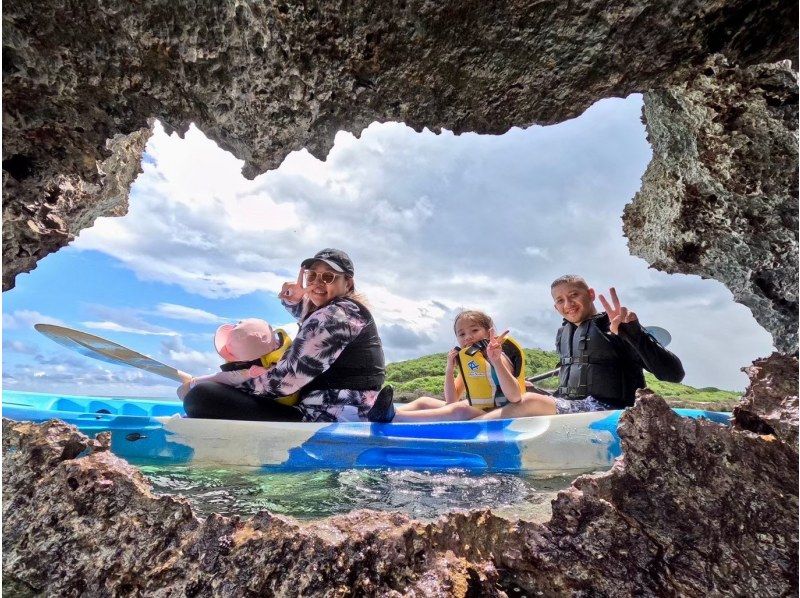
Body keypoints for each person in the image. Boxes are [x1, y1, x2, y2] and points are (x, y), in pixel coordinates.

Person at [182, 249, 390, 422]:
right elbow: (310, 318)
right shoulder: (344, 311)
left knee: (201, 397)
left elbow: (283, 383)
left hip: (328, 415)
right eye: (312, 276)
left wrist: (228, 382)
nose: (318, 283)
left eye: (328, 277)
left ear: (348, 283)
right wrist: (295, 299)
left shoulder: (336, 315)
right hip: (353, 406)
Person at [367, 310, 555, 422]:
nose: (468, 337)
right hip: (484, 408)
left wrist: (496, 360)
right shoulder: (470, 360)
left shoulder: (498, 354)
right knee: (425, 401)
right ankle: (376, 414)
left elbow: (514, 396)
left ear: (489, 332)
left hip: (504, 410)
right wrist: (450, 368)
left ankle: (395, 418)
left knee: (460, 409)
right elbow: (451, 399)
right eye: (462, 334)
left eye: (474, 330)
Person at [543, 274, 685, 413]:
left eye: (574, 295)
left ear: (591, 294)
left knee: (529, 402)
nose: (568, 304)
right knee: (525, 393)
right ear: (556, 307)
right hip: (574, 408)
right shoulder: (563, 335)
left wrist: (633, 333)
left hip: (614, 412)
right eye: (560, 300)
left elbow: (674, 374)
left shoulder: (616, 326)